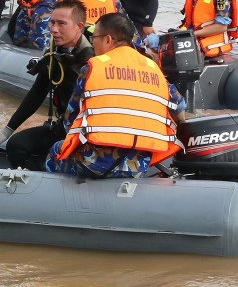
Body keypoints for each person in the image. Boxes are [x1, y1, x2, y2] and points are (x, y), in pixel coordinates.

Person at [45, 13, 186, 179]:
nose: (92, 43)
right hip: (139, 165)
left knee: (56, 149)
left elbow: (70, 121)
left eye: (94, 38)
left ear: (107, 40)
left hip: (94, 164)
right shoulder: (154, 70)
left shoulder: (92, 69)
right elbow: (180, 110)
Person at [0, 0, 95, 171]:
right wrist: (7, 130)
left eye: (61, 24)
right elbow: (37, 92)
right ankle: (43, 182)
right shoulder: (53, 51)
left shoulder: (93, 59)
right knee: (16, 146)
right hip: (62, 129)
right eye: (52, 22)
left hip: (87, 135)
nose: (54, 29)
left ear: (79, 27)